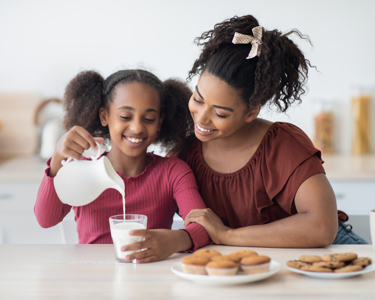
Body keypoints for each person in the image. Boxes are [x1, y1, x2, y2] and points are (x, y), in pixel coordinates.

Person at [173, 15, 368, 246]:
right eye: (198, 98)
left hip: (326, 251)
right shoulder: (186, 152)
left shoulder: (282, 144)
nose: (202, 117)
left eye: (220, 113)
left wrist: (226, 235)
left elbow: (322, 227)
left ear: (251, 113)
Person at [34, 69, 211, 263]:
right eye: (125, 116)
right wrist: (58, 158)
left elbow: (203, 227)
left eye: (149, 119)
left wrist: (177, 239)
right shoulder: (80, 171)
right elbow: (45, 219)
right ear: (104, 116)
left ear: (160, 121)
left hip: (150, 281)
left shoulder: (173, 172)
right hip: (91, 282)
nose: (137, 127)